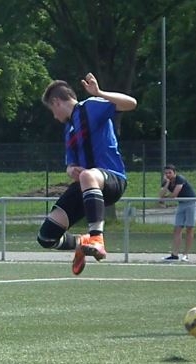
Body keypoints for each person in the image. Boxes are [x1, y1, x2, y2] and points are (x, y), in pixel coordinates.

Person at [37, 73, 137, 275]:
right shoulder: (69, 129)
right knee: (46, 237)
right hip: (87, 184)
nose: (54, 116)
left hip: (113, 179)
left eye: (52, 110)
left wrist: (99, 93)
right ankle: (82, 243)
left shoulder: (90, 106)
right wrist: (70, 170)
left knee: (87, 176)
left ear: (56, 102)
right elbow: (71, 164)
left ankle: (97, 238)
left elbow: (131, 103)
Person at [160, 164, 196, 262]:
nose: (168, 175)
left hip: (191, 203)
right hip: (181, 204)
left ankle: (185, 255)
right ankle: (174, 254)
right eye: (166, 173)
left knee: (189, 228)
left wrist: (165, 199)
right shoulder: (166, 181)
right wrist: (167, 183)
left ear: (174, 173)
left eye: (170, 173)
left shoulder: (180, 179)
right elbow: (161, 195)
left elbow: (174, 195)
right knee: (177, 229)